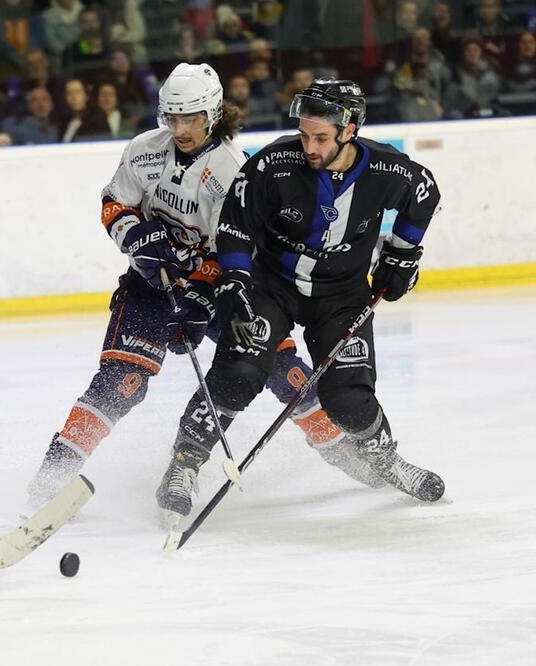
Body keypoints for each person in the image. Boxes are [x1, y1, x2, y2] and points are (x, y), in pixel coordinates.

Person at [26, 65, 385, 521]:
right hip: (151, 284)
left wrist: (199, 296)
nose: (180, 129)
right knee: (122, 382)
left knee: (285, 373)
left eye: (190, 118)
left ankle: (347, 454)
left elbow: (239, 246)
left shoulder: (234, 170)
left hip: (224, 290)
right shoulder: (143, 151)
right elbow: (115, 202)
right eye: (172, 118)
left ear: (212, 114)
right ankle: (52, 476)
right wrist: (135, 237)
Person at [160, 79, 445, 516]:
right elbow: (236, 223)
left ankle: (385, 461)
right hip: (270, 285)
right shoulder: (273, 164)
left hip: (342, 295)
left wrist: (403, 254)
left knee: (348, 400)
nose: (309, 146)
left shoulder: (389, 170)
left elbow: (425, 195)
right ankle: (183, 464)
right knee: (239, 371)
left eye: (321, 138)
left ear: (349, 131)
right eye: (304, 134)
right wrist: (234, 279)